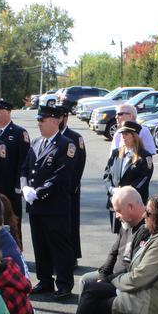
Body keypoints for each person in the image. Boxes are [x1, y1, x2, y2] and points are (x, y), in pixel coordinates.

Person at [22, 105, 77, 300]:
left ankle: (64, 284)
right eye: (38, 121)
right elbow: (25, 170)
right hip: (36, 205)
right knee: (40, 244)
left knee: (59, 245)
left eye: (42, 121)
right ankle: (44, 280)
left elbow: (61, 175)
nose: (39, 125)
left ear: (55, 121)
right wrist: (25, 188)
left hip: (55, 205)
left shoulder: (66, 144)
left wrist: (38, 192)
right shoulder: (36, 143)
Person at [104, 121, 153, 232]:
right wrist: (112, 189)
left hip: (132, 205)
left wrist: (125, 192)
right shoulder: (116, 153)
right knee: (118, 235)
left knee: (133, 234)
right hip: (115, 202)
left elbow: (144, 178)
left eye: (126, 134)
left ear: (134, 136)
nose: (123, 137)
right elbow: (107, 174)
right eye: (122, 134)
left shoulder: (144, 156)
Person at [0, 98, 30, 220]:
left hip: (11, 187)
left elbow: (24, 161)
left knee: (13, 223)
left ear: (8, 112)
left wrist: (19, 185)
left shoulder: (19, 133)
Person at [60, 111, 86, 260]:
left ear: (65, 117)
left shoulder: (75, 137)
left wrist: (73, 185)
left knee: (71, 223)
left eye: (59, 117)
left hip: (71, 189)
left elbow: (80, 163)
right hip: (56, 190)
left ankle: (72, 256)